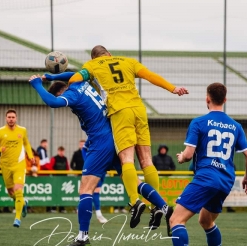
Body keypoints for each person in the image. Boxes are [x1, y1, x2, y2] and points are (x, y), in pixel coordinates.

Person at [29, 74, 175, 246]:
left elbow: (53, 102)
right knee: (134, 181)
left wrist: (37, 84)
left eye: (61, 96)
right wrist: (53, 76)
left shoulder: (71, 94)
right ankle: (166, 208)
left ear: (62, 92)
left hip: (100, 141)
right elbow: (73, 73)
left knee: (85, 189)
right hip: (115, 136)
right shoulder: (80, 81)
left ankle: (83, 236)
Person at [68, 45, 188, 227]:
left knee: (127, 160)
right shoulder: (128, 61)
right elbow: (150, 76)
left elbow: (75, 79)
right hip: (139, 109)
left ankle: (134, 201)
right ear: (109, 54)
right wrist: (173, 88)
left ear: (94, 58)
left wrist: (65, 77)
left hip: (120, 111)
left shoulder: (92, 66)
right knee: (147, 160)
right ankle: (156, 206)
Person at [169, 82, 247, 246]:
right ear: (225, 99)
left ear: (207, 99)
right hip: (225, 180)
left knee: (176, 220)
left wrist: (182, 157)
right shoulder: (235, 126)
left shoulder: (199, 122)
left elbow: (189, 154)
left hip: (206, 177)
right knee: (206, 220)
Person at [0, 109, 34, 227]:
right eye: (9, 117)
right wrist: (0, 149)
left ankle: (17, 218)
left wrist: (30, 156)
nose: (11, 119)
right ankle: (23, 203)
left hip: (19, 164)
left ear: (16, 118)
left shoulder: (22, 130)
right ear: (6, 118)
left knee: (18, 191)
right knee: (11, 193)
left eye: (13, 117)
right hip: (5, 165)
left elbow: (26, 144)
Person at [50, 146, 69, 213]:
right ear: (58, 151)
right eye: (60, 151)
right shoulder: (54, 158)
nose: (61, 152)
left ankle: (62, 208)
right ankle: (54, 208)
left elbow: (67, 168)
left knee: (62, 193)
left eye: (62, 151)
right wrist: (54, 174)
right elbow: (50, 167)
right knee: (55, 193)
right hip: (56, 179)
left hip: (63, 179)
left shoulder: (65, 159)